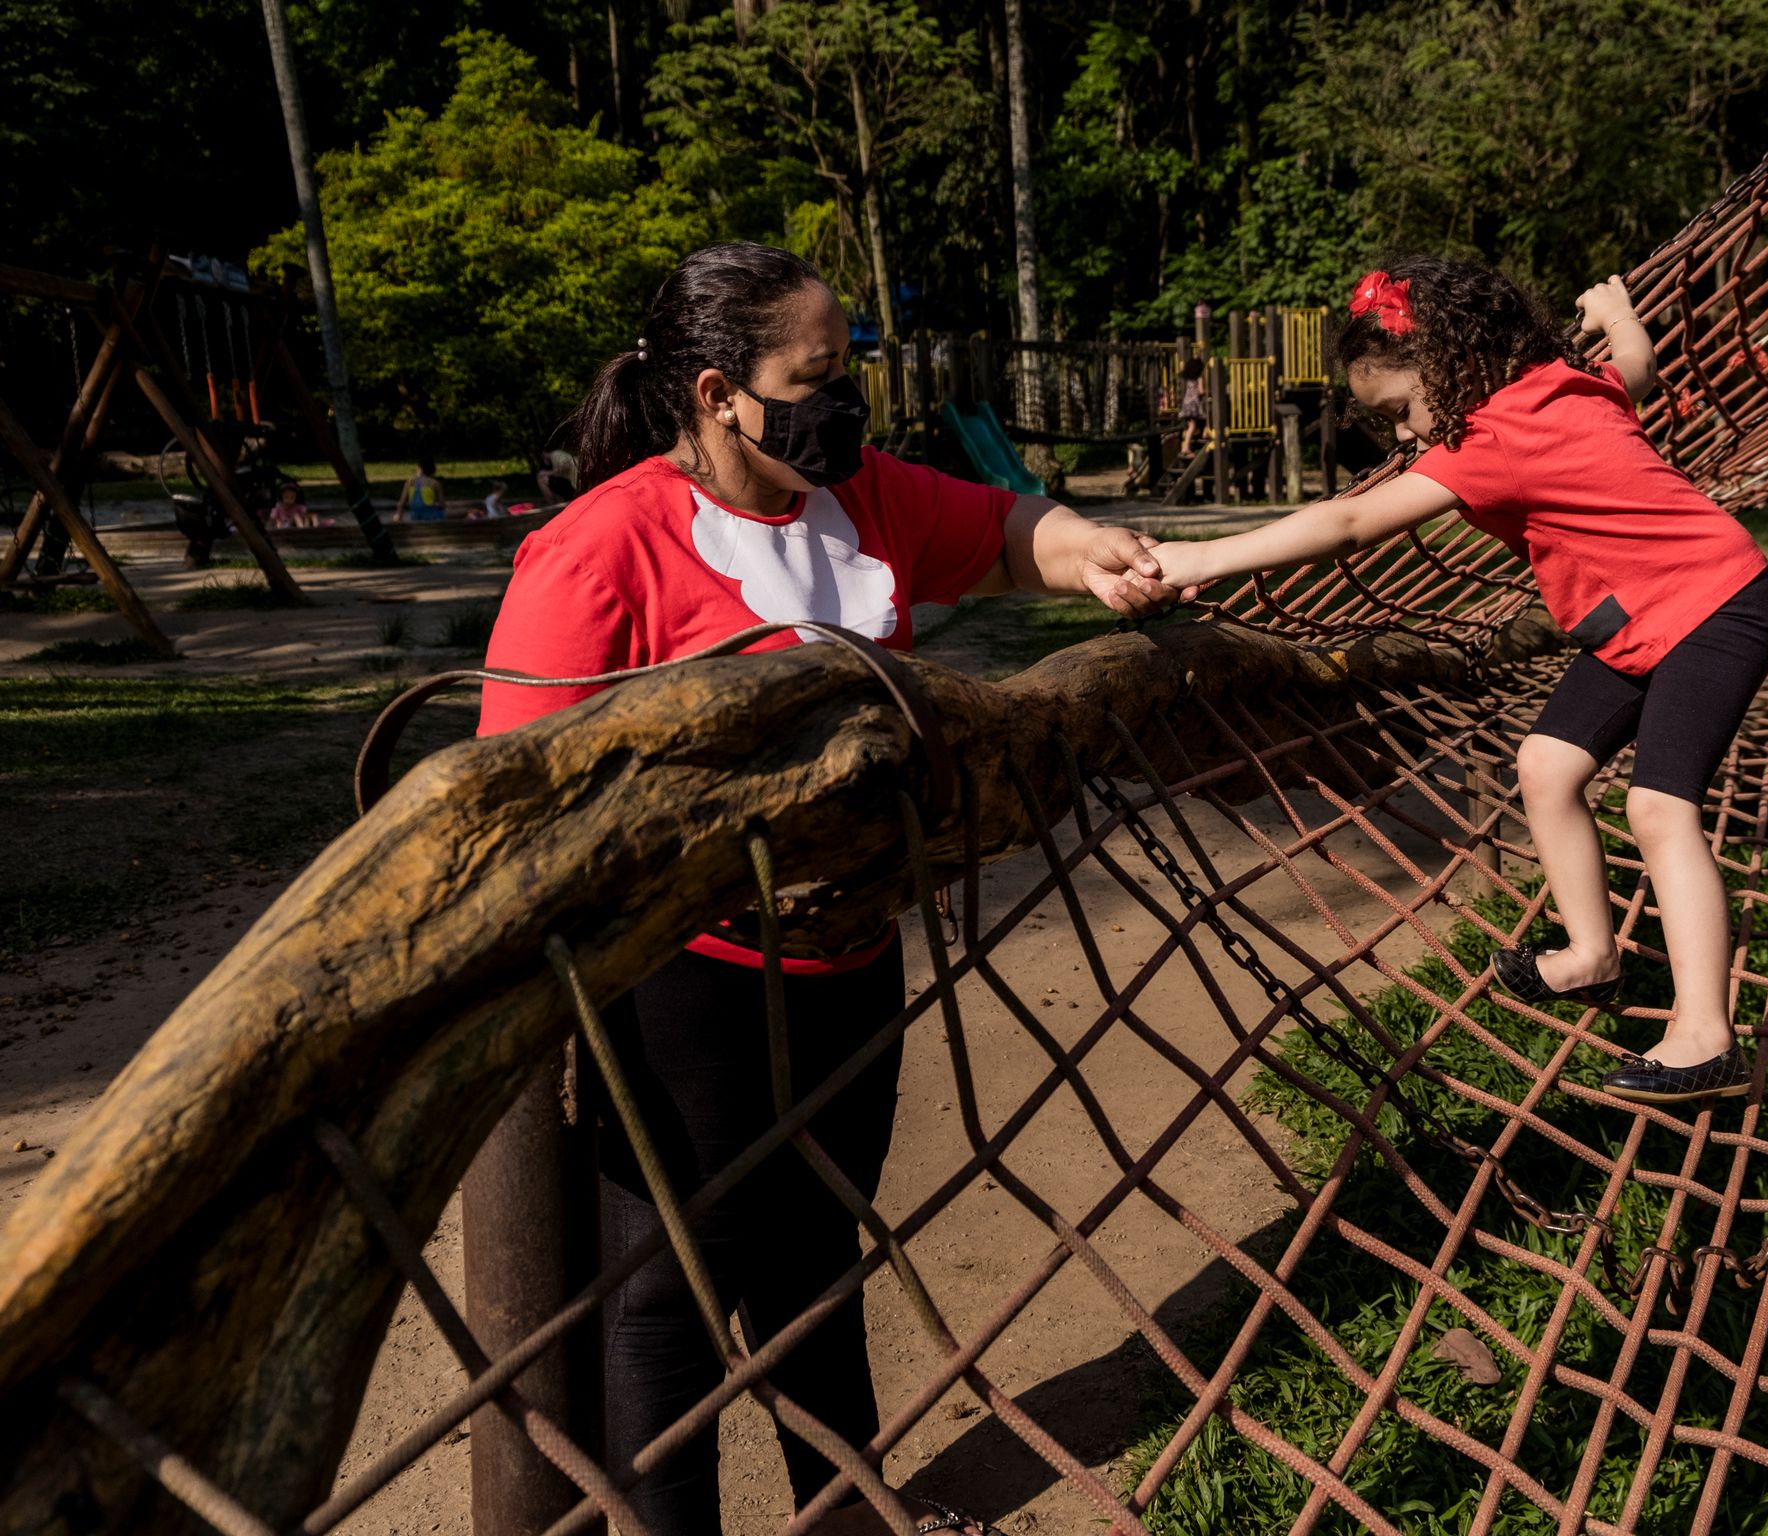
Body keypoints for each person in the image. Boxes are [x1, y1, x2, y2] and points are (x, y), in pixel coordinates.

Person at [476, 241, 1182, 1536]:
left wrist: (1089, 550)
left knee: (819, 1254)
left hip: (854, 962)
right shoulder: (599, 551)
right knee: (671, 1298)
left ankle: (844, 1506)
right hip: (686, 992)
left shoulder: (859, 497)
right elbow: (510, 801)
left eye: (847, 370)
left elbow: (1006, 528)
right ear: (714, 394)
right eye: (814, 376)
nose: (842, 401)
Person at [1139, 257, 1768, 1108]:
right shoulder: (1560, 384)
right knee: (1548, 765)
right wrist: (1618, 310)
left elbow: (1351, 521)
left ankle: (1708, 1039)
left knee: (1657, 807)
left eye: (1401, 412)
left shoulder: (1489, 441)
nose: (1403, 437)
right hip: (1642, 621)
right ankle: (1592, 955)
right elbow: (1636, 366)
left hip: (1715, 608)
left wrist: (1203, 557)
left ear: (1446, 367)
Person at [396, 457, 446, 522]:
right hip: (432, 516)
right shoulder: (435, 484)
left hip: (415, 516)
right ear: (433, 470)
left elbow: (402, 503)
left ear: (419, 469)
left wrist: (398, 516)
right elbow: (442, 505)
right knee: (453, 513)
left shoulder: (409, 483)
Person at [1176, 356, 1208, 457]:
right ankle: (1186, 448)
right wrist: (1208, 392)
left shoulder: (1189, 379)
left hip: (1186, 404)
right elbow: (1201, 391)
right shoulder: (1199, 378)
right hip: (1193, 404)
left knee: (1190, 425)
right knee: (1194, 424)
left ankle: (1185, 445)